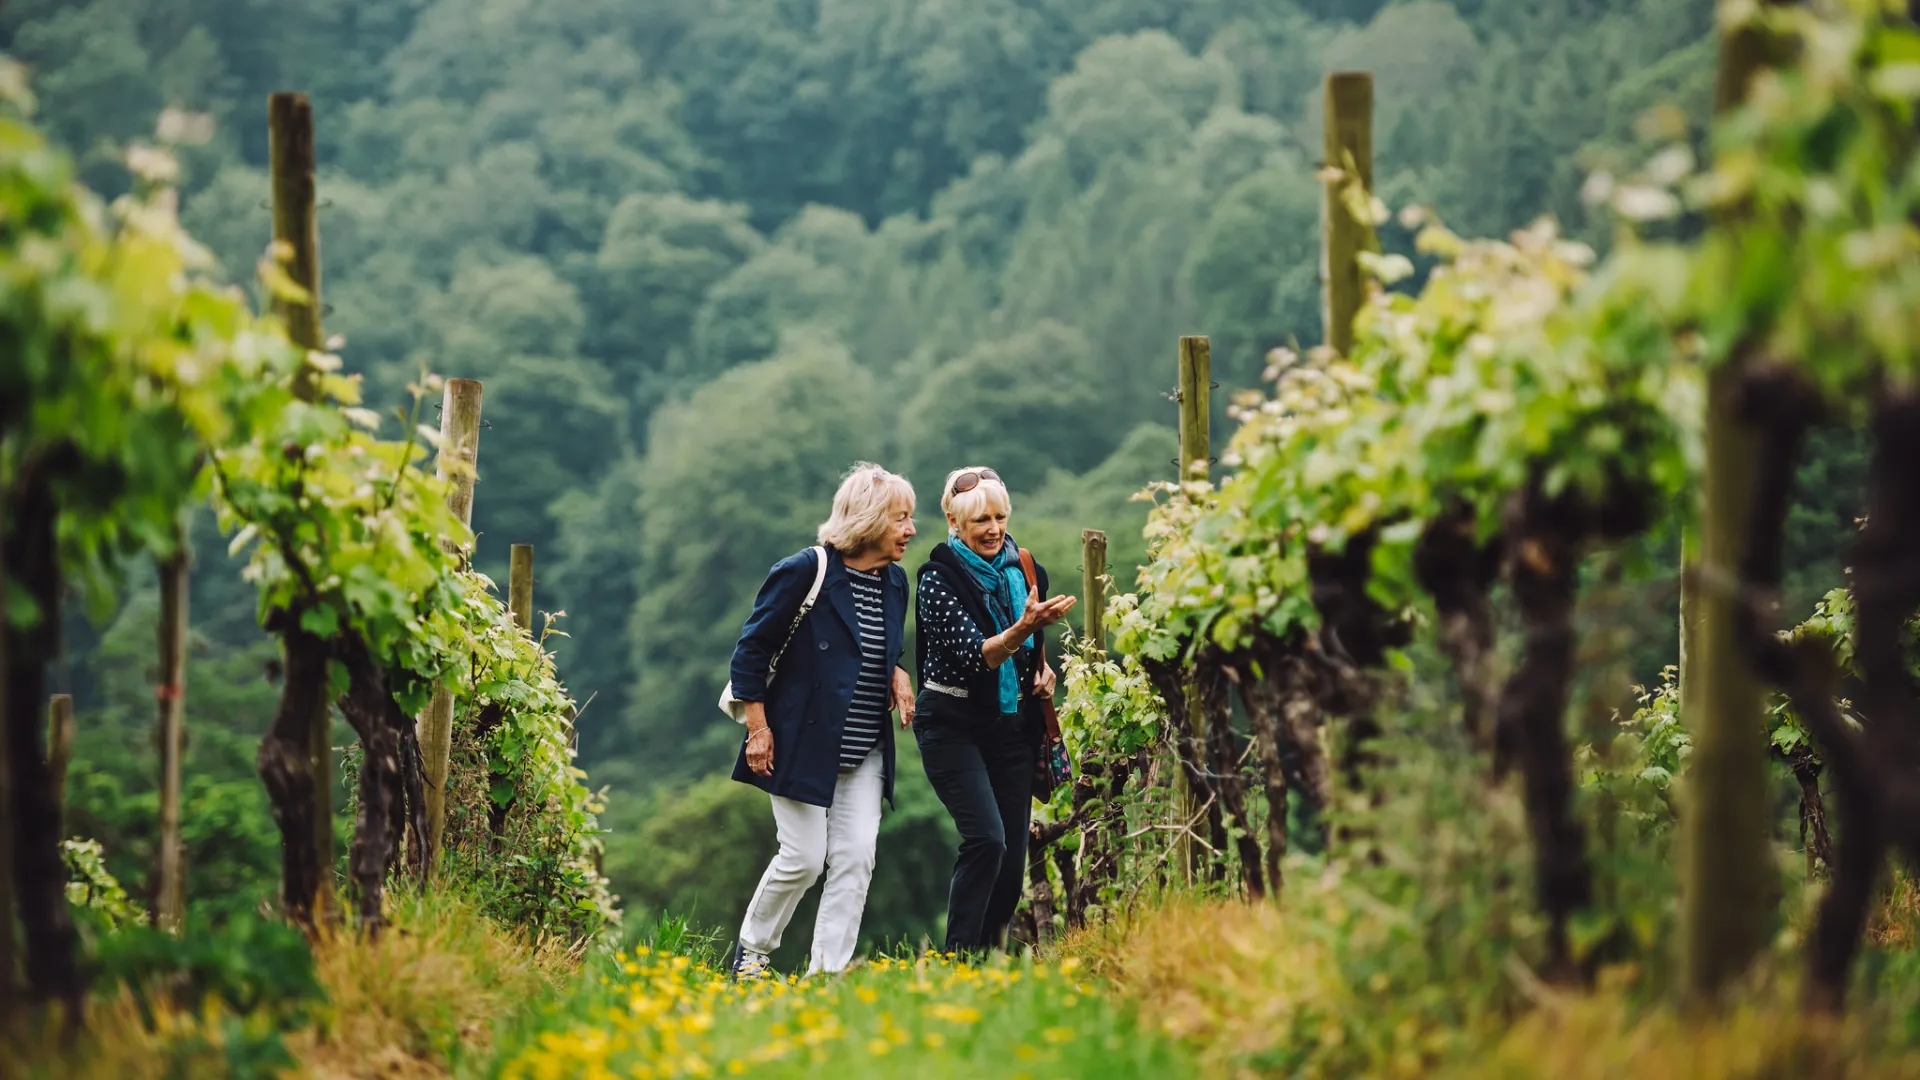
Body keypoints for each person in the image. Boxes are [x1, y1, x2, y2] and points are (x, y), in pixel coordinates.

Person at [724, 463, 918, 981]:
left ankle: (826, 978)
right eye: (902, 518)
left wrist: (897, 672)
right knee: (805, 858)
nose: (910, 530)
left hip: (864, 749)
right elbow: (749, 654)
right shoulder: (805, 571)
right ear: (872, 519)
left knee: (856, 861)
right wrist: (758, 730)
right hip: (797, 742)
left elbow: (875, 645)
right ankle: (753, 953)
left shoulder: (895, 582)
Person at [912, 466, 1075, 955]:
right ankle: (956, 961)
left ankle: (990, 964)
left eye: (1000, 516)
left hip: (1012, 729)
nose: (993, 528)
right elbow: (975, 655)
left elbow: (1027, 659)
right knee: (986, 841)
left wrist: (1042, 678)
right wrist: (1024, 629)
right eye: (980, 519)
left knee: (1010, 859)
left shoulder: (1027, 571)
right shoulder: (936, 579)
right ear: (953, 520)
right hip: (953, 724)